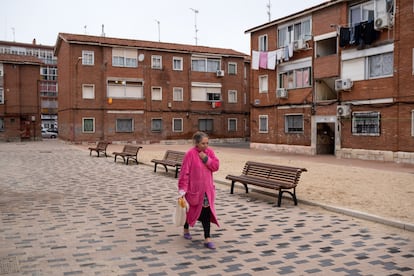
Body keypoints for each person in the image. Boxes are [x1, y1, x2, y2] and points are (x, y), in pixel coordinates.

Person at [178, 131, 220, 249]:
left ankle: (207, 238)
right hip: (194, 190)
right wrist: (182, 189)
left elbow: (216, 166)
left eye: (207, 143)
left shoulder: (209, 153)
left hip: (207, 190)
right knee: (191, 211)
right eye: (203, 144)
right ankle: (186, 229)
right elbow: (184, 173)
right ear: (196, 143)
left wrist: (206, 159)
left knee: (206, 213)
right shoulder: (190, 154)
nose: (206, 146)